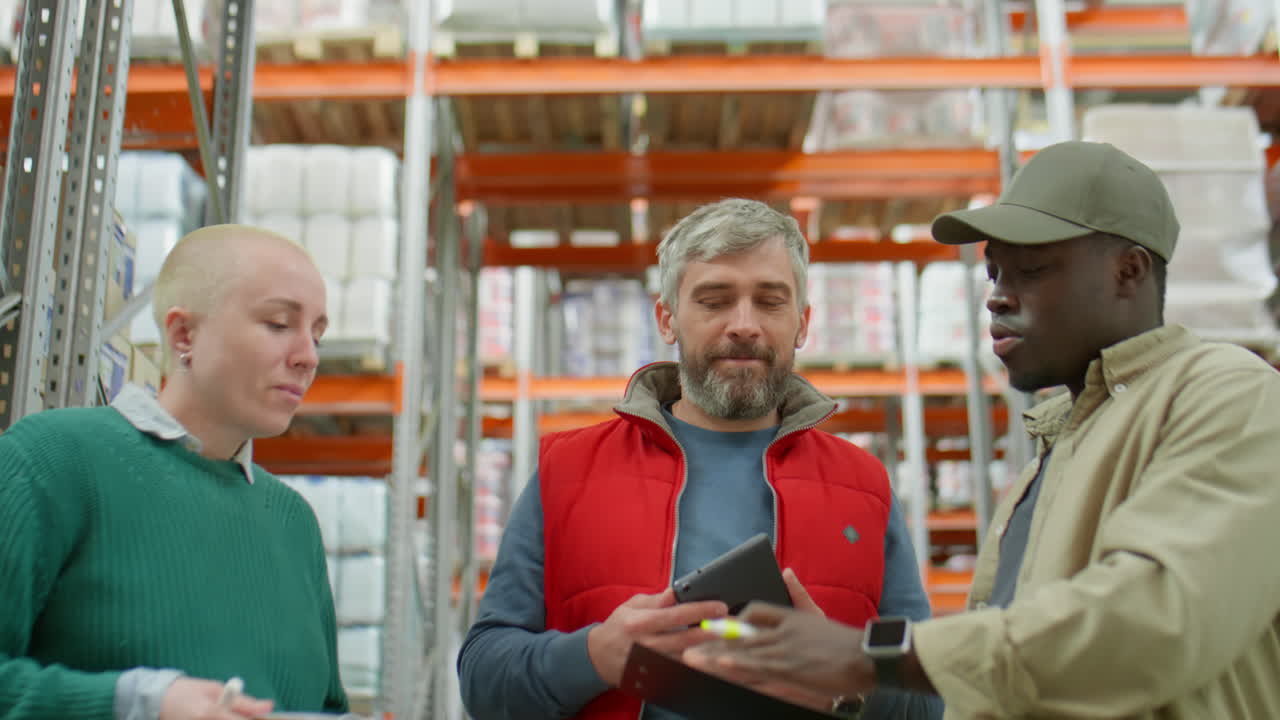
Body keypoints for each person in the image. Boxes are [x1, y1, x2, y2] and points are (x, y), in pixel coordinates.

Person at [682, 141, 1280, 719]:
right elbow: (1015, 683)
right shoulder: (1051, 456)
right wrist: (846, 687)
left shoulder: (1231, 397)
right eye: (994, 274)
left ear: (1129, 271)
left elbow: (1156, 624)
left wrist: (880, 656)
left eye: (1032, 270)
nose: (997, 298)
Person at [457, 198, 943, 720]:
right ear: (666, 318)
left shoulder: (863, 485)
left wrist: (849, 680)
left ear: (802, 323)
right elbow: (484, 679)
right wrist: (593, 656)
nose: (744, 324)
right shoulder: (569, 471)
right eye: (714, 301)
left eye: (770, 301)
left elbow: (927, 698)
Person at [0, 225, 347, 720]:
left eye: (316, 334)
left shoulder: (294, 523)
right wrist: (138, 703)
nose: (308, 357)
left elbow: (327, 707)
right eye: (277, 324)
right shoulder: (52, 460)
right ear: (185, 334)